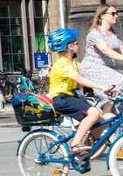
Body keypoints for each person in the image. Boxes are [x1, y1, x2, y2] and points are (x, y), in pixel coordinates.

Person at [46, 27, 116, 168]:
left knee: (104, 119)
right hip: (62, 99)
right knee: (94, 112)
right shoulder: (62, 64)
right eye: (76, 42)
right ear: (69, 46)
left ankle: (85, 150)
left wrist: (111, 82)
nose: (78, 44)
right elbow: (79, 79)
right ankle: (75, 145)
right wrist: (102, 87)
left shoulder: (73, 63)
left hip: (73, 98)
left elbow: (89, 74)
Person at [83, 4, 123, 95]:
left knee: (121, 97)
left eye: (117, 13)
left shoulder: (114, 34)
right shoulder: (94, 33)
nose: (116, 16)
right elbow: (105, 50)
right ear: (102, 16)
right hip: (93, 68)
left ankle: (108, 107)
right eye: (113, 13)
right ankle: (102, 108)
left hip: (107, 69)